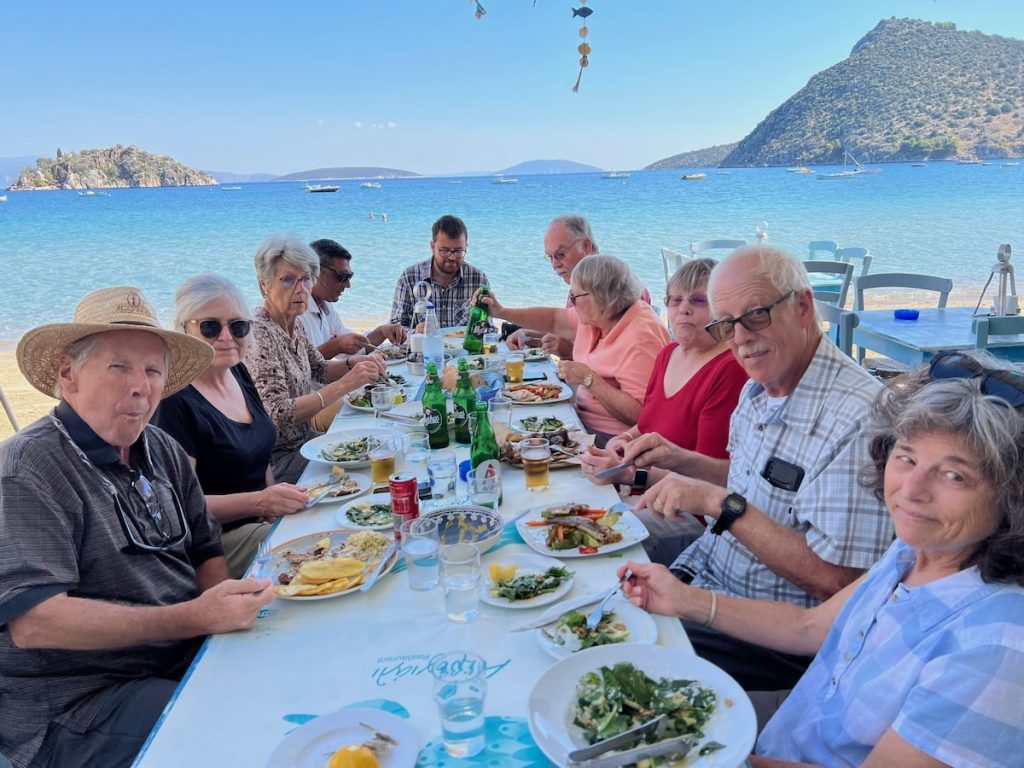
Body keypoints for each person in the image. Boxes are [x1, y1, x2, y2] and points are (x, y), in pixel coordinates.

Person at [620, 354, 1024, 766]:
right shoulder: (916, 550)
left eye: (955, 475)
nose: (912, 489)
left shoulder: (996, 645)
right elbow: (809, 627)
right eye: (908, 457)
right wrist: (679, 598)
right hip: (786, 731)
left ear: (1012, 498)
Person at [0, 286, 274, 768]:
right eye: (119, 367)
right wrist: (194, 619)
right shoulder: (30, 466)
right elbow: (35, 621)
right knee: (238, 731)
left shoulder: (161, 449)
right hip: (78, 704)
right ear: (69, 375)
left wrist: (219, 631)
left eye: (152, 371)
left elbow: (206, 549)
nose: (140, 387)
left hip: (171, 656)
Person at [622, 246, 893, 690]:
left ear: (803, 306)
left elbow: (836, 581)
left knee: (610, 647)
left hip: (767, 634)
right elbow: (753, 483)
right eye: (726, 324)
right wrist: (679, 460)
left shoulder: (859, 418)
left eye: (757, 315)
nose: (740, 337)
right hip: (709, 567)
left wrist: (719, 504)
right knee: (591, 566)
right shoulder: (758, 389)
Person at [579, 259, 748, 542]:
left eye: (698, 300)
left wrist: (628, 474)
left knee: (590, 537)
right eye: (675, 300)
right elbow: (645, 424)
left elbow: (706, 476)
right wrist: (622, 441)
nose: (684, 309)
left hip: (688, 513)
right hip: (641, 491)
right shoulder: (668, 354)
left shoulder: (728, 369)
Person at [155, 274, 309, 578]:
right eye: (210, 327)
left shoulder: (237, 371)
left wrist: (270, 505)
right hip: (214, 542)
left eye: (238, 326)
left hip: (259, 521)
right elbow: (180, 505)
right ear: (185, 329)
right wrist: (261, 502)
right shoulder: (175, 400)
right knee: (311, 549)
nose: (226, 337)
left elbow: (260, 450)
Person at [482, 255, 670, 446]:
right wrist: (501, 312)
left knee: (521, 447)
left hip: (615, 440)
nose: (571, 302)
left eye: (574, 296)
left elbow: (641, 416)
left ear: (599, 296)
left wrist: (589, 379)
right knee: (506, 429)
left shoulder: (640, 337)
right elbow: (554, 319)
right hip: (580, 419)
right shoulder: (599, 315)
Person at [244, 235, 385, 484]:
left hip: (304, 441)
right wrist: (347, 384)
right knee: (368, 467)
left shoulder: (293, 323)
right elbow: (278, 413)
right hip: (276, 461)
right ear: (264, 285)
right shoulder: (259, 333)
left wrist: (356, 364)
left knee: (379, 442)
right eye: (288, 280)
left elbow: (318, 368)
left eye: (306, 279)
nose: (301, 290)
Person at [504, 214, 652, 359]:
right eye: (550, 257)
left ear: (586, 246)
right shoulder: (583, 283)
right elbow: (571, 329)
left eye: (560, 254)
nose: (555, 265)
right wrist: (530, 336)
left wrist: (569, 352)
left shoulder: (615, 288)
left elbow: (616, 358)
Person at [301, 238, 406, 360]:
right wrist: (336, 346)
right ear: (318, 272)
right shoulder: (297, 314)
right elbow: (299, 366)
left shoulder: (325, 307)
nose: (348, 285)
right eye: (342, 276)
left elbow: (354, 348)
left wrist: (382, 332)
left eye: (349, 276)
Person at [389, 214, 489, 329]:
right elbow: (395, 328)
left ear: (466, 247)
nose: (452, 257)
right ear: (432, 247)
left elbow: (489, 329)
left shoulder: (478, 279)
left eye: (459, 251)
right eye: (445, 251)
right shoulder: (410, 277)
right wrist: (415, 333)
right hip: (422, 346)